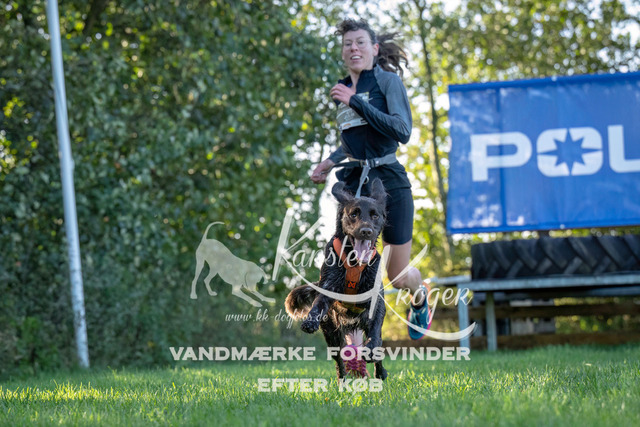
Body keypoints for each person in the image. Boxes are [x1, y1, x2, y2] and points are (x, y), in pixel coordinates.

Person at [310, 18, 431, 339]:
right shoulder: (342, 87)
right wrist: (330, 161)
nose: (354, 48)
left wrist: (356, 102)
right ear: (342, 51)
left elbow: (401, 130)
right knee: (348, 269)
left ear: (375, 49)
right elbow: (355, 140)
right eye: (348, 43)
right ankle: (355, 350)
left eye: (360, 42)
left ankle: (420, 296)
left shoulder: (387, 82)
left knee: (397, 276)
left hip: (389, 182)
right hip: (355, 186)